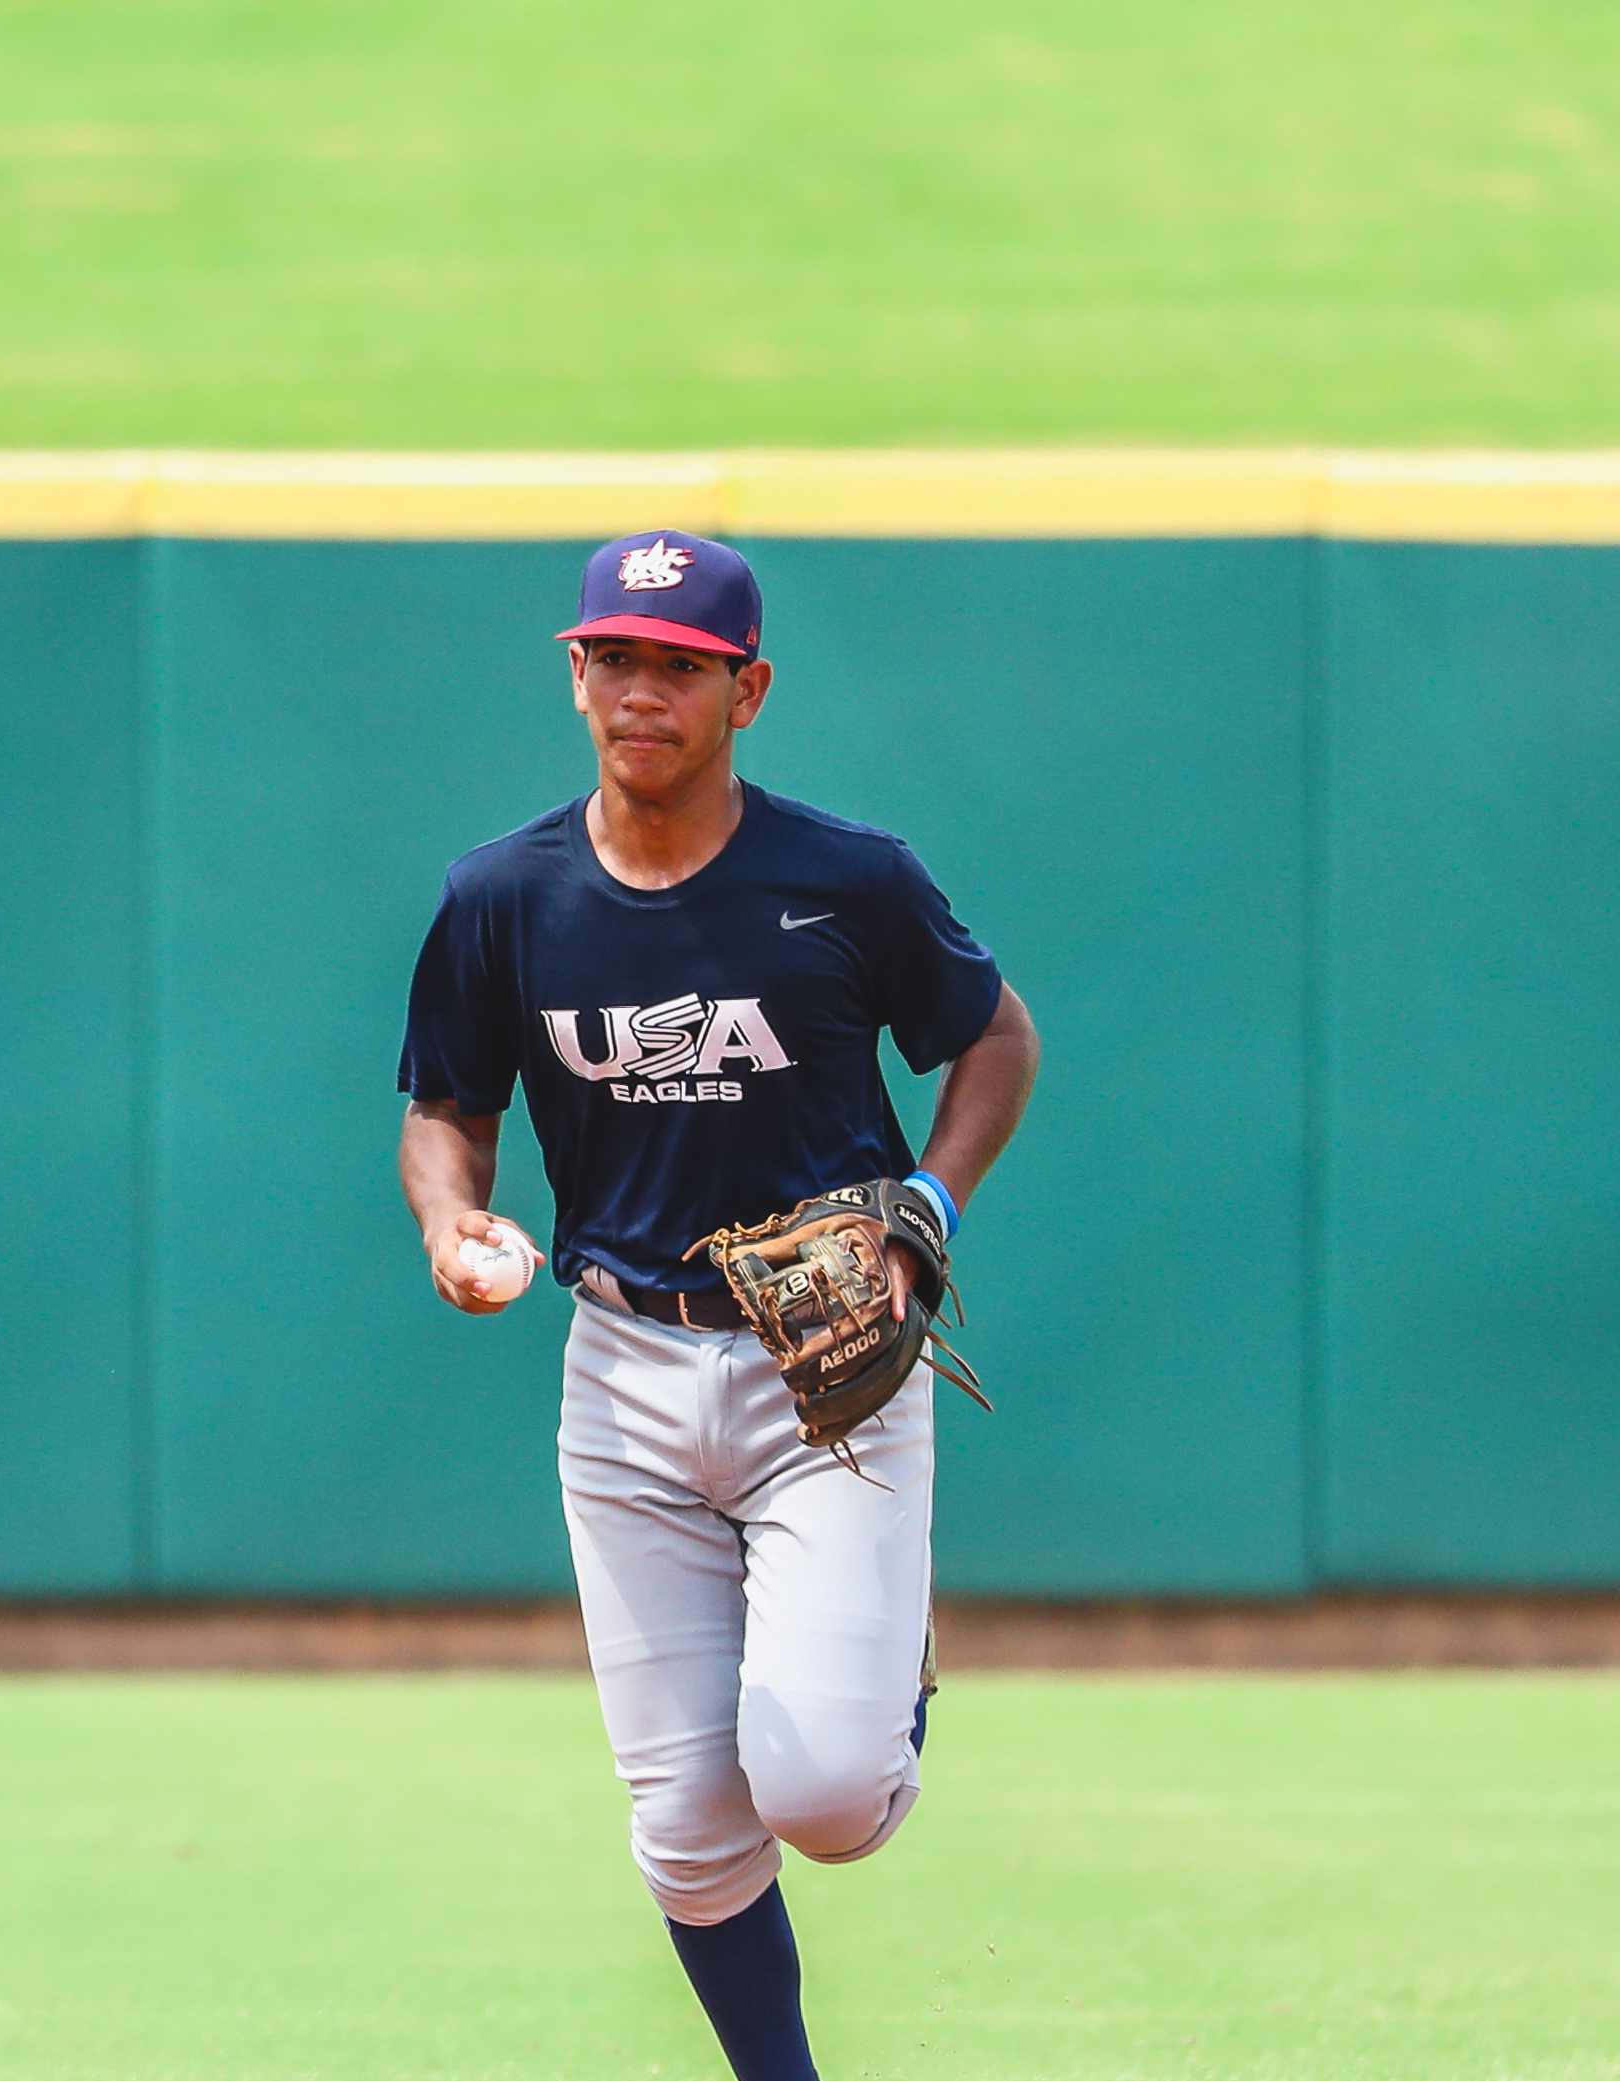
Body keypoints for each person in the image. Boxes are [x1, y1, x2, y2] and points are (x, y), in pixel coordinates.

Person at [395, 530, 1040, 2080]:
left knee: (820, 1795)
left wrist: (928, 1210)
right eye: (611, 658)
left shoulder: (846, 880)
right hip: (617, 1367)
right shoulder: (501, 896)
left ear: (745, 691)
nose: (639, 692)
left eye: (677, 667)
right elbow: (443, 1105)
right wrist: (449, 1216)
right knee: (685, 1828)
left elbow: (993, 1040)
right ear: (574, 677)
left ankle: (884, 1669)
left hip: (822, 1359)